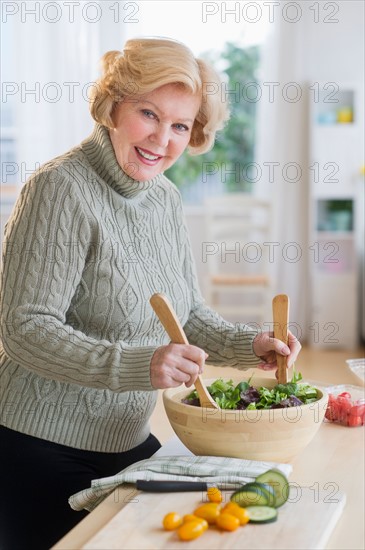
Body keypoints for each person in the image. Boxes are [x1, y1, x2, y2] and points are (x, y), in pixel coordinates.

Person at [0, 37, 301, 549]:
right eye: (149, 113)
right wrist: (140, 365)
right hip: (38, 447)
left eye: (180, 125)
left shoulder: (164, 196)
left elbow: (188, 315)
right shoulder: (59, 189)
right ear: (113, 106)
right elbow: (23, 328)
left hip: (128, 441)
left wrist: (250, 345)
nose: (162, 139)